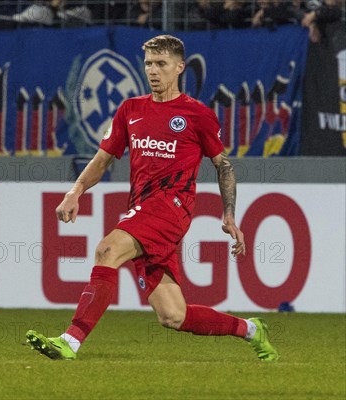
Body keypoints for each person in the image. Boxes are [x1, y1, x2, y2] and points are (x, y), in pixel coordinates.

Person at [25, 35, 279, 362]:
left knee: (107, 249)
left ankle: (69, 341)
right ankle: (251, 329)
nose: (153, 71)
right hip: (143, 210)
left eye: (161, 64)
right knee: (173, 315)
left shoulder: (197, 114)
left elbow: (224, 166)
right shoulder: (131, 110)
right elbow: (102, 159)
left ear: (179, 67)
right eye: (148, 64)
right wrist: (75, 191)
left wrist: (229, 213)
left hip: (172, 209)